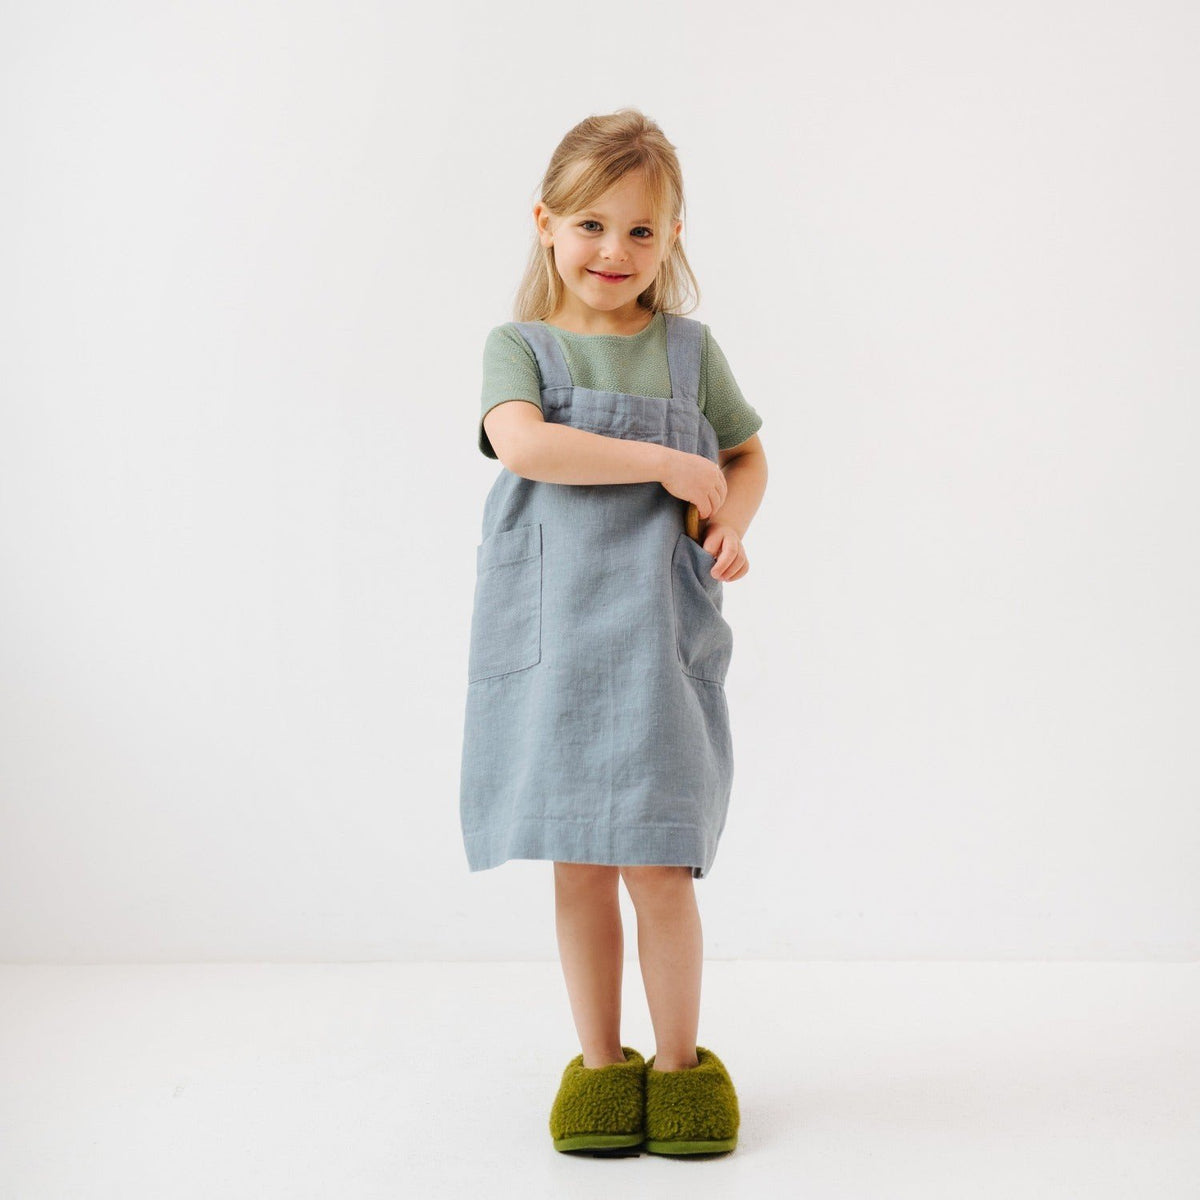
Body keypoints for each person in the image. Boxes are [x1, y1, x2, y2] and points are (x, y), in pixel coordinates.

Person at [459, 108, 768, 1157]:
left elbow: (748, 455)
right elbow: (528, 448)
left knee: (660, 870)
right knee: (579, 867)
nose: (613, 252)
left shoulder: (690, 352)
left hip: (658, 651)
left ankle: (678, 1070)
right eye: (592, 225)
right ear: (546, 224)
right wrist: (667, 467)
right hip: (557, 650)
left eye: (641, 231)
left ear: (673, 237)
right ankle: (601, 1066)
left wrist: (727, 516)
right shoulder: (522, 348)